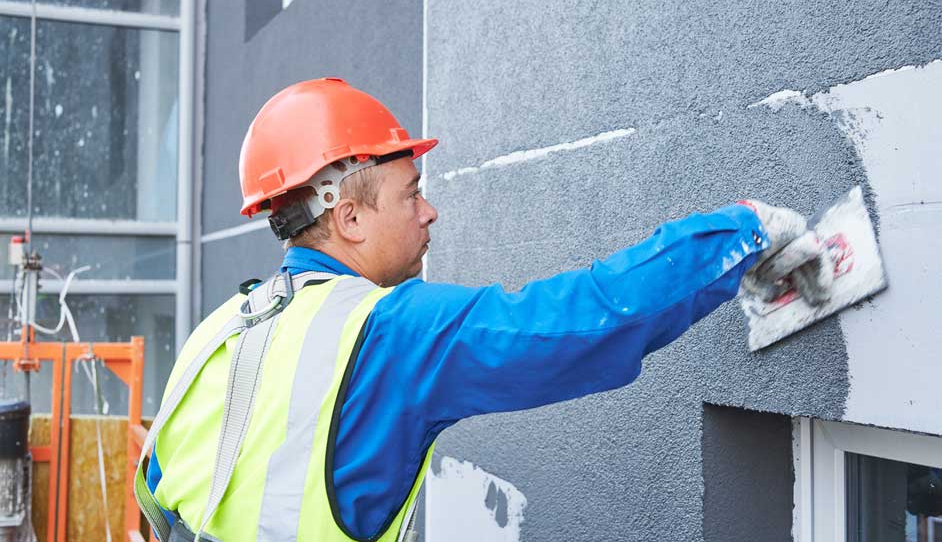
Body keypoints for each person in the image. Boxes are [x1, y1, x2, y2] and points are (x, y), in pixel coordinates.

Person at [135, 78, 832, 542]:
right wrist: (743, 234)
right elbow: (576, 322)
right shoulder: (385, 335)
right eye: (411, 194)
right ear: (348, 217)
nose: (430, 211)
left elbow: (159, 500)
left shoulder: (217, 333)